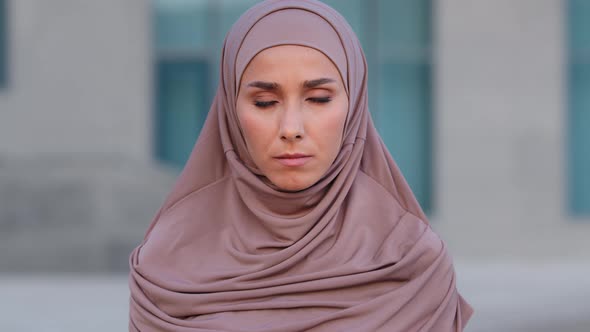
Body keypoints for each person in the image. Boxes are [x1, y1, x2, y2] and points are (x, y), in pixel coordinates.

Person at [128, 0, 473, 331]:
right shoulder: (167, 261)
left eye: (319, 99)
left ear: (353, 104)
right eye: (264, 102)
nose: (291, 128)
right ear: (231, 111)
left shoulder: (410, 259)